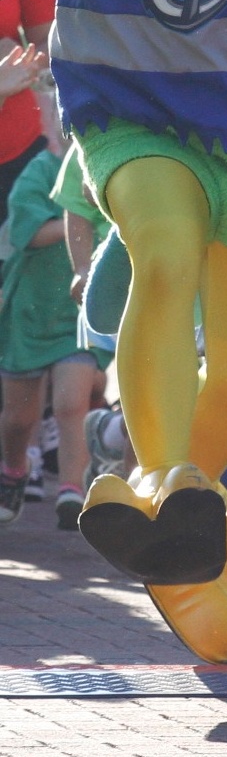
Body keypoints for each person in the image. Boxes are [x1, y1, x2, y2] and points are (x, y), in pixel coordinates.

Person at [0, 124, 106, 530]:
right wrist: (81, 218)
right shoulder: (38, 171)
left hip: (74, 311)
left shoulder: (101, 167)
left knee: (70, 403)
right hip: (28, 311)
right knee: (17, 419)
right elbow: (30, 233)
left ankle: (71, 490)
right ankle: (13, 472)